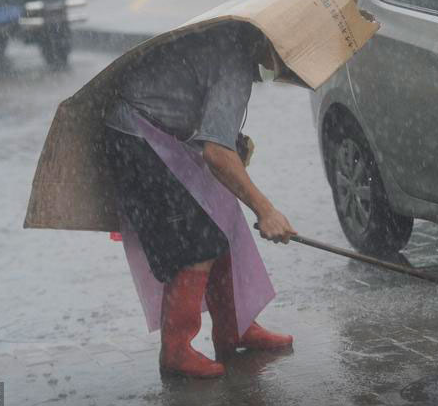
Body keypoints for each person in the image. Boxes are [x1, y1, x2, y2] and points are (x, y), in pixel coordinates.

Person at [104, 22, 297, 379]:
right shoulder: (235, 65)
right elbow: (217, 155)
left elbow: (210, 128)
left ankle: (234, 328)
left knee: (221, 222)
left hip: (161, 131)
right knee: (197, 241)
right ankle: (176, 350)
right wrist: (266, 211)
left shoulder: (232, 42)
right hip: (134, 139)